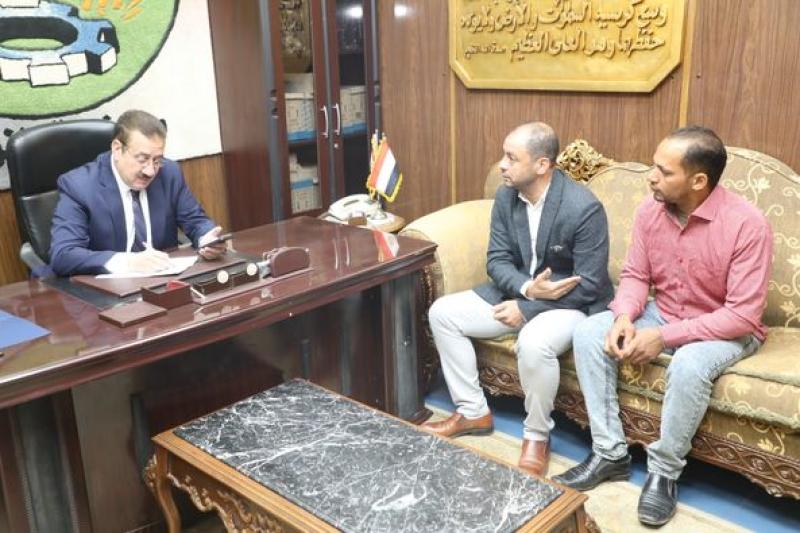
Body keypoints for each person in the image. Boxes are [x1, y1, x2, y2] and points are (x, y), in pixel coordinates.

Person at [552, 126, 773, 527]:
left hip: (726, 327)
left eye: (663, 171)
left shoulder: (747, 224)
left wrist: (663, 337)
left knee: (688, 364)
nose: (651, 177)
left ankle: (664, 473)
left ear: (698, 181)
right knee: (589, 332)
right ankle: (609, 454)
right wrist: (624, 316)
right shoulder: (650, 210)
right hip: (665, 310)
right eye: (653, 166)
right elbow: (636, 275)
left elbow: (742, 315)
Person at [421, 122, 614, 477]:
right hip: (519, 293)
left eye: (511, 158)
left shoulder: (583, 208)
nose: (502, 165)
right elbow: (496, 260)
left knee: (534, 343)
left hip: (571, 304)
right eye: (503, 156)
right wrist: (526, 289)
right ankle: (472, 411)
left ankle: (537, 436)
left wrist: (527, 309)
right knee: (443, 313)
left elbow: (589, 285)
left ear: (542, 165)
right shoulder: (505, 196)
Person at [49, 109, 227, 276]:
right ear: (117, 149)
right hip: (106, 289)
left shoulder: (169, 174)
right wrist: (129, 262)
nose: (150, 171)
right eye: (142, 159)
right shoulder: (79, 186)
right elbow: (64, 254)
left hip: (164, 283)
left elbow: (195, 220)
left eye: (157, 160)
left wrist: (207, 240)